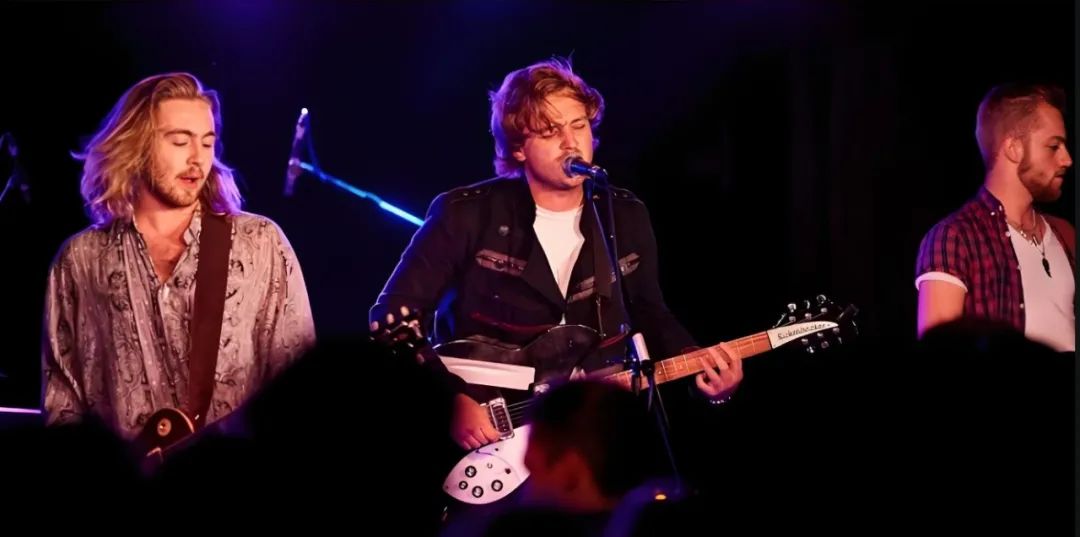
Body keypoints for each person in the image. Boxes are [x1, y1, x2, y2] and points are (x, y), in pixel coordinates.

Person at [369, 57, 742, 453]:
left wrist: (698, 362)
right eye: (550, 131)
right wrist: (452, 399)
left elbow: (649, 311)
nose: (571, 142)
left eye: (578, 125)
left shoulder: (624, 213)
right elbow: (392, 319)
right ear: (518, 148)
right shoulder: (466, 213)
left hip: (585, 433)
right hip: (485, 435)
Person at [41, 72, 316, 439]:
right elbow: (62, 403)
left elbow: (299, 389)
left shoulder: (261, 245)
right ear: (136, 145)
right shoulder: (80, 260)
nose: (198, 158)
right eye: (180, 141)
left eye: (207, 142)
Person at [915, 82, 1074, 351]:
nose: (1067, 159)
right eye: (1053, 146)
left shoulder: (1066, 234)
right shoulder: (954, 237)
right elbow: (938, 355)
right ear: (1014, 148)